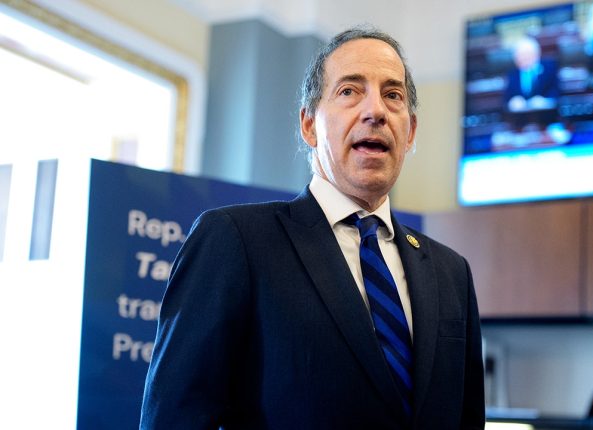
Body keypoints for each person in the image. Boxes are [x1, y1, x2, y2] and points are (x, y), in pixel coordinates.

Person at [139, 26, 485, 430]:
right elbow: (174, 418)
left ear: (410, 131)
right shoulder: (235, 239)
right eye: (350, 91)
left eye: (393, 95)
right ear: (308, 125)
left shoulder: (452, 273)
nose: (375, 111)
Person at [503, 36, 559, 115]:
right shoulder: (512, 74)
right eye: (519, 55)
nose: (523, 58)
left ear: (536, 55)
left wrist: (545, 101)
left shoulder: (549, 68)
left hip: (548, 115)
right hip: (521, 117)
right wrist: (513, 102)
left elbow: (556, 91)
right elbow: (506, 99)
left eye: (526, 54)